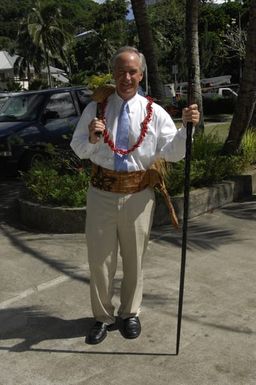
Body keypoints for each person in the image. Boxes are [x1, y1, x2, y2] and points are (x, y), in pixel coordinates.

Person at [70, 46, 200, 345]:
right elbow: (78, 148)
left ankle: (129, 313)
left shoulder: (155, 112)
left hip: (139, 195)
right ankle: (103, 317)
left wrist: (187, 128)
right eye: (120, 71)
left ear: (141, 75)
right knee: (100, 262)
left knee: (135, 259)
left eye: (132, 71)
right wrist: (91, 138)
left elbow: (172, 153)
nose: (126, 77)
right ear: (113, 74)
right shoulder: (96, 109)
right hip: (101, 192)